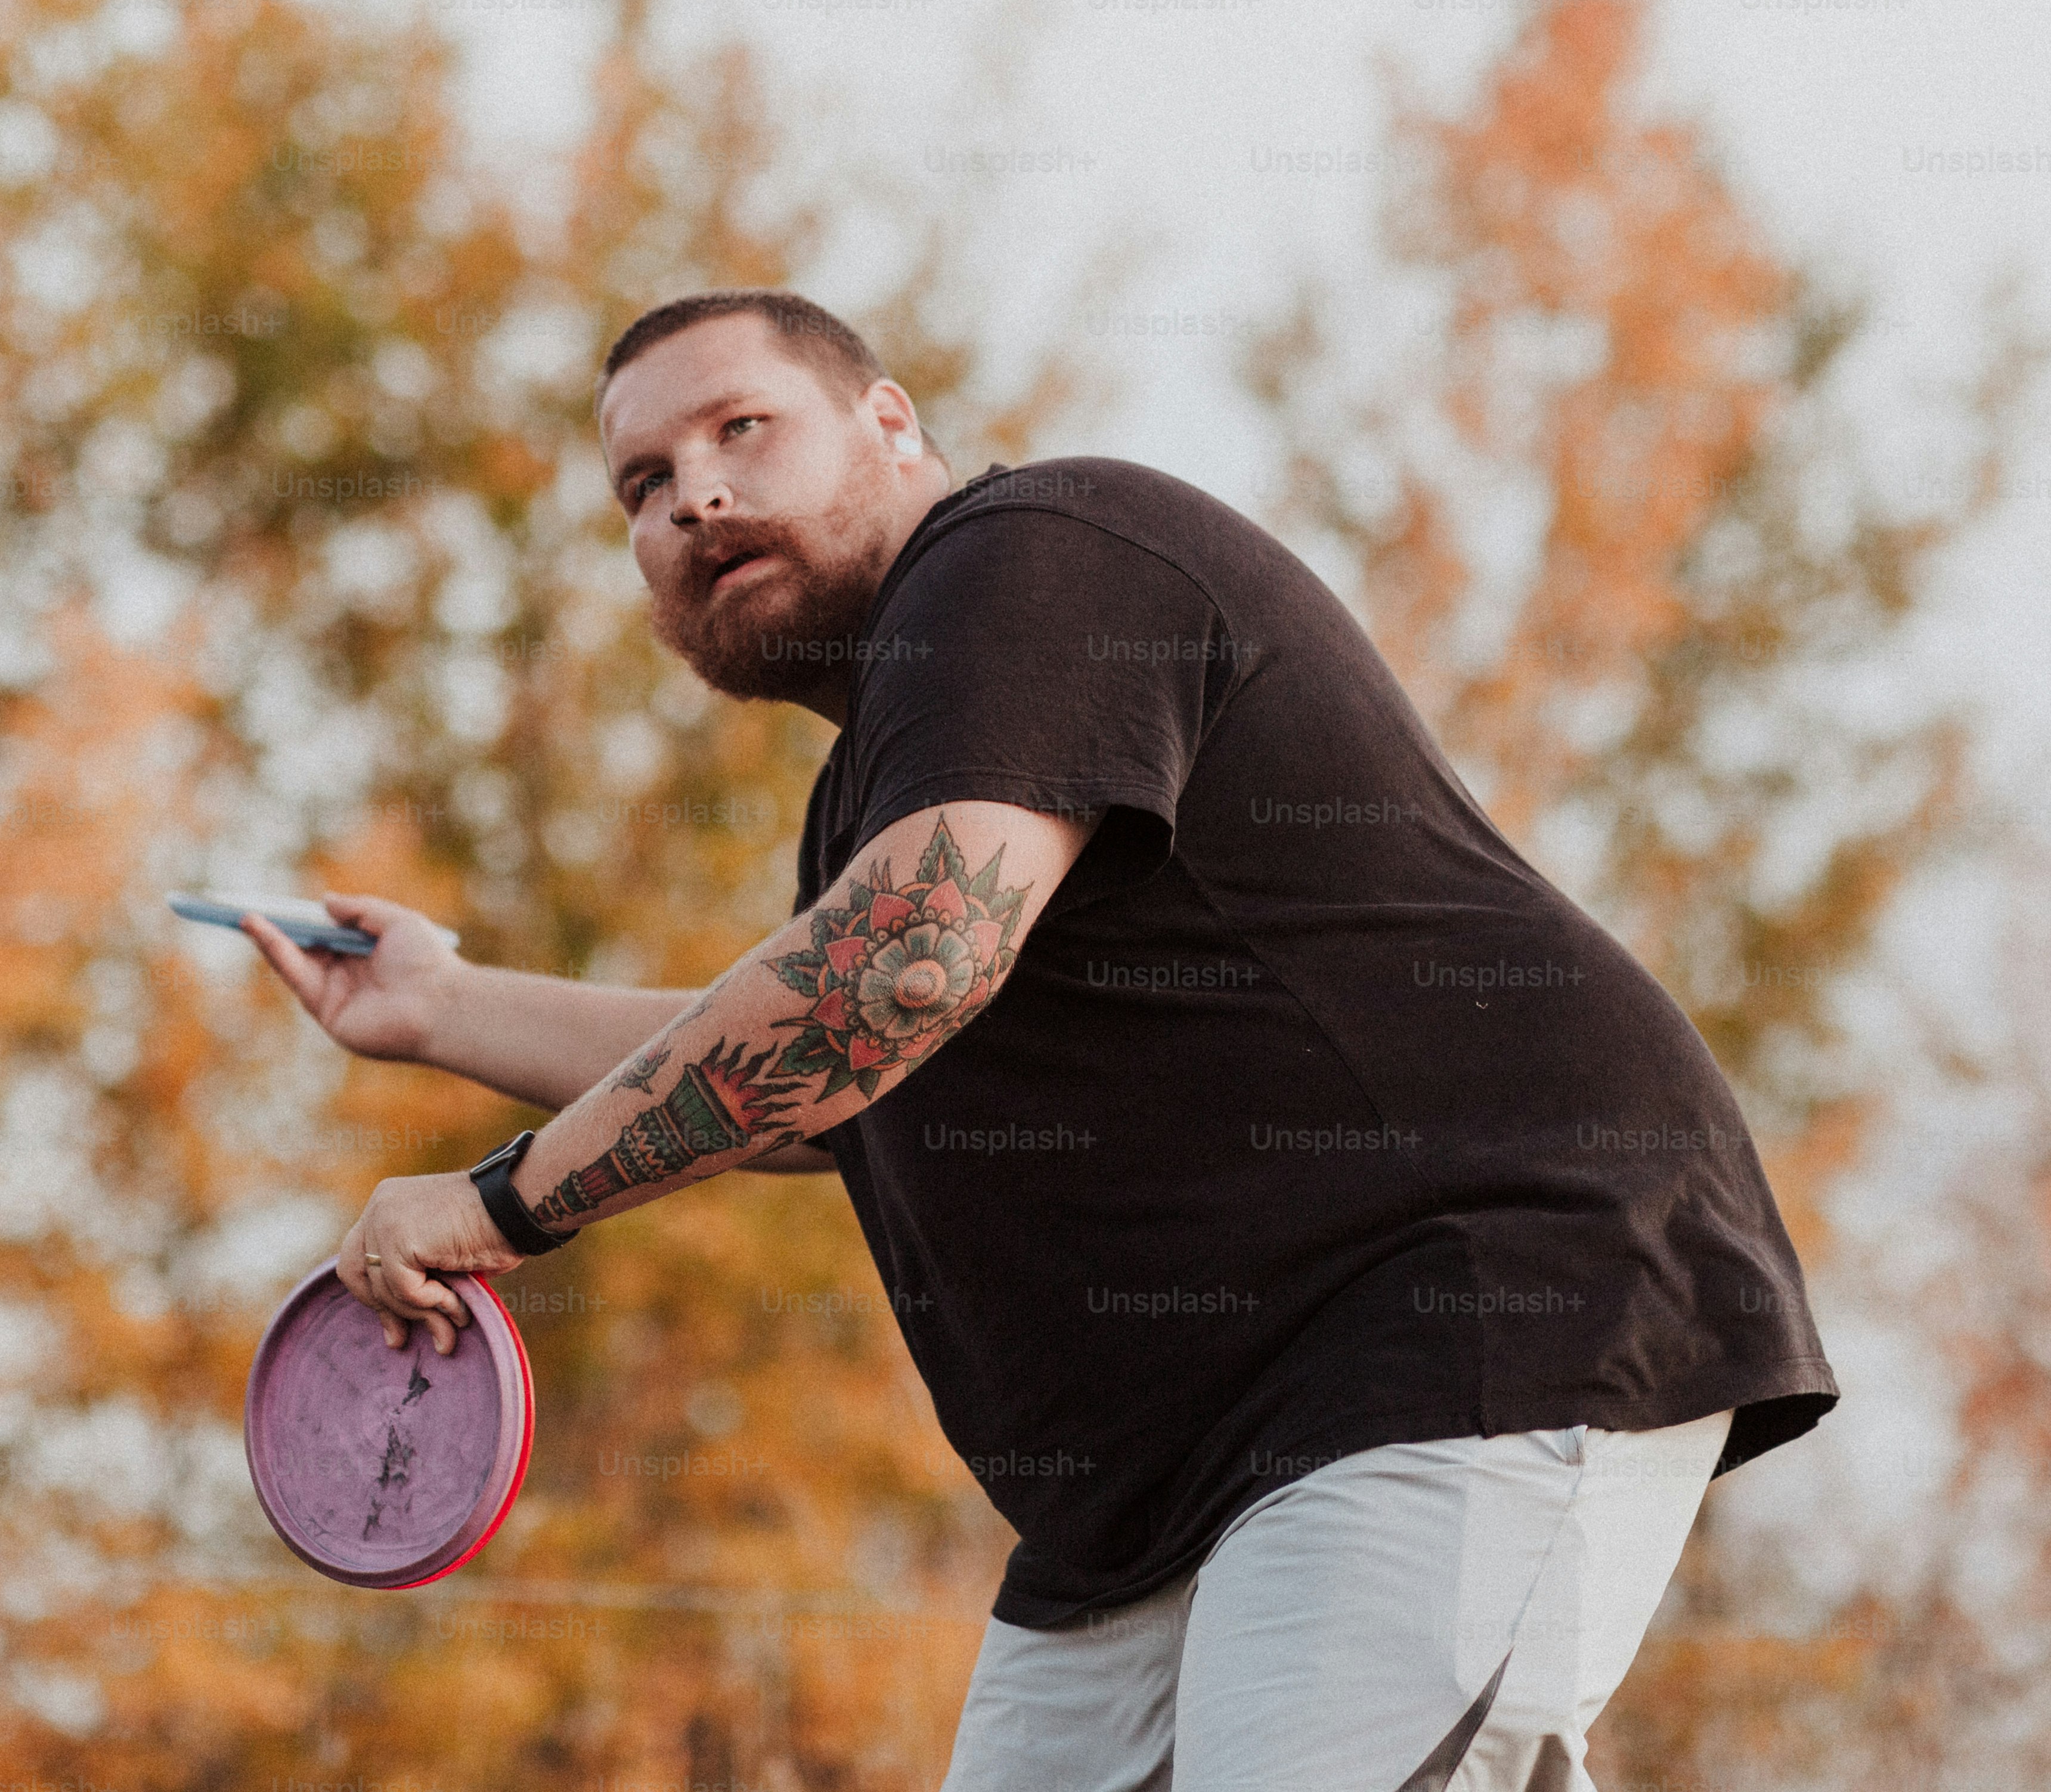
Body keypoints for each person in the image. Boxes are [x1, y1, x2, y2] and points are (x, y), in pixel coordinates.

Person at [241, 289, 1839, 1792]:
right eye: (641, 485)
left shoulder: (1034, 557)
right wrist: (444, 1007)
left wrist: (510, 1201)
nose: (693, 500)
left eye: (741, 431)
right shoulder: (892, 784)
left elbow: (897, 974)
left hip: (1454, 1339)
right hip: (1144, 1508)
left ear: (890, 422)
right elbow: (830, 1083)